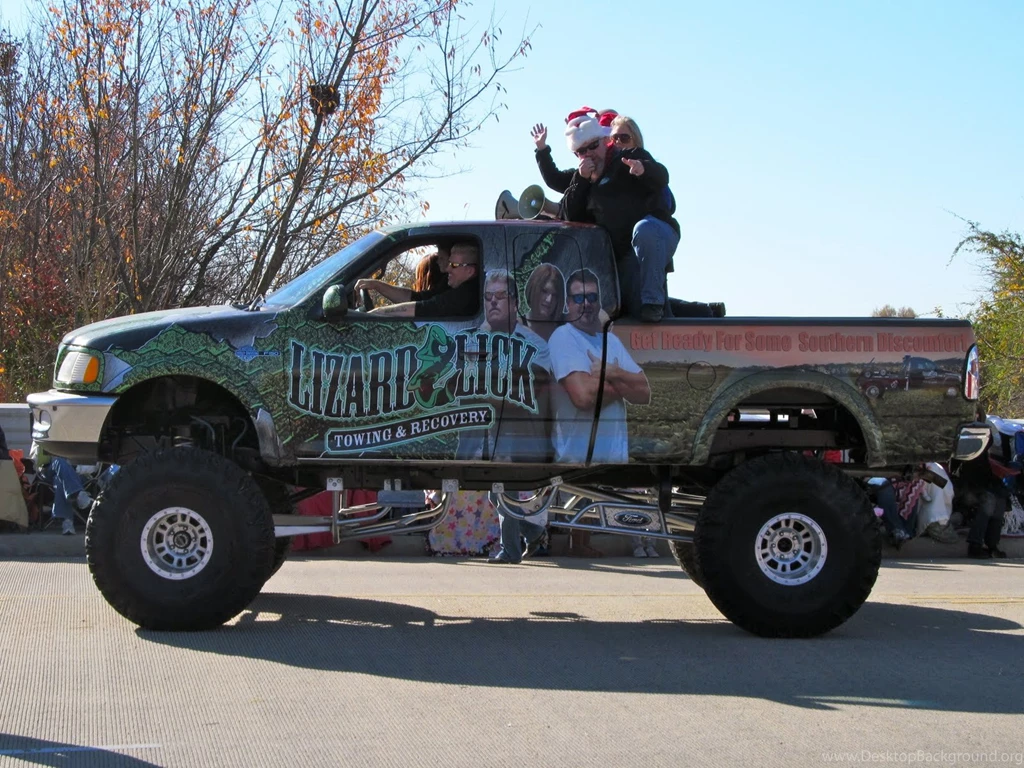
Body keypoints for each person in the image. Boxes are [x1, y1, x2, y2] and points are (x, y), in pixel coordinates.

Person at [560, 113, 680, 322]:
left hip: (648, 240)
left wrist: (643, 169)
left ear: (605, 142)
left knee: (644, 232)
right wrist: (581, 181)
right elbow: (571, 218)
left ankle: (653, 304)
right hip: (619, 258)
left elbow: (662, 175)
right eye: (581, 151)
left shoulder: (626, 158)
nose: (589, 154)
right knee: (629, 310)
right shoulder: (584, 181)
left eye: (593, 145)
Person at [548, 269, 651, 465]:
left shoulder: (611, 341)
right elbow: (584, 396)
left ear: (599, 303)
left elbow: (644, 391)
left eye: (592, 297)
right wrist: (624, 383)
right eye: (579, 298)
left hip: (615, 464)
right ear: (568, 303)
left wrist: (610, 372)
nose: (586, 304)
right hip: (575, 467)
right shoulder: (563, 337)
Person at [457, 268, 553, 463]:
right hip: (471, 462)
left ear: (515, 303)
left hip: (522, 464)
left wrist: (477, 383)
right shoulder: (469, 342)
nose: (493, 301)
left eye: (501, 295)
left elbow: (519, 394)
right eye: (488, 296)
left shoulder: (537, 346)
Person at [366, 242, 480, 319]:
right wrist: (377, 285)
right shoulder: (454, 288)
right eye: (449, 263)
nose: (447, 268)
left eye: (454, 265)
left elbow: (425, 308)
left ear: (470, 271)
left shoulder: (467, 294)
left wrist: (377, 313)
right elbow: (418, 298)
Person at [354, 246, 450, 306]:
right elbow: (415, 299)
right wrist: (376, 285)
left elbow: (416, 303)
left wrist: (377, 313)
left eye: (442, 258)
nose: (439, 262)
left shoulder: (451, 297)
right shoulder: (440, 295)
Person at [523, 263, 566, 341]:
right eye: (544, 291)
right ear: (533, 289)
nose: (549, 300)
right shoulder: (515, 327)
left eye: (555, 295)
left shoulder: (567, 327)